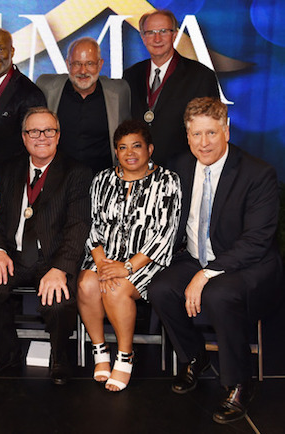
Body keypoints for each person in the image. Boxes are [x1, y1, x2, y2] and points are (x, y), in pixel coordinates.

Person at [147, 97, 282, 423]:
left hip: (247, 263)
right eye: (196, 135)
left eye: (211, 133)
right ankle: (196, 358)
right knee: (161, 289)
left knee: (219, 294)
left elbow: (256, 241)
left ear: (227, 130)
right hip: (196, 257)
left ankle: (239, 383)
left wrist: (206, 274)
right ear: (187, 135)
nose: (203, 143)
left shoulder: (258, 174)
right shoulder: (180, 167)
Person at [0, 107, 91, 385]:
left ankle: (60, 356)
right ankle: (5, 355)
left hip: (53, 257)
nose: (41, 137)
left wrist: (61, 268)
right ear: (24, 137)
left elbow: (78, 226)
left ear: (58, 136)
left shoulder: (77, 172)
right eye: (33, 131)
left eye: (48, 131)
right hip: (14, 255)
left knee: (58, 302)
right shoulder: (8, 170)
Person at [77, 120, 181, 392]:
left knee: (114, 290)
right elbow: (92, 224)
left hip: (146, 260)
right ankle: (100, 350)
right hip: (105, 256)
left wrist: (126, 267)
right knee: (86, 285)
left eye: (136, 146)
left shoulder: (168, 181)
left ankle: (125, 354)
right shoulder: (102, 179)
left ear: (150, 149)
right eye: (122, 147)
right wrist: (100, 262)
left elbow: (165, 233)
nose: (129, 153)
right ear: (116, 151)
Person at [123, 9, 219, 166]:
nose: (157, 38)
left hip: (183, 171)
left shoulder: (201, 76)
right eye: (150, 32)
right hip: (138, 171)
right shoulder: (130, 76)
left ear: (174, 35)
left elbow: (209, 129)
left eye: (163, 31)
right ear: (143, 38)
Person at [36, 37, 130, 175]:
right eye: (77, 64)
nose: (83, 71)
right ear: (68, 64)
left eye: (90, 63)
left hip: (102, 180)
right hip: (57, 179)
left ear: (100, 64)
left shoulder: (119, 91)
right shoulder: (46, 87)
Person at [0, 28, 46, 179]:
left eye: (0, 49)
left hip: (11, 180)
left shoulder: (30, 93)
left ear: (12, 51)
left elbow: (36, 145)